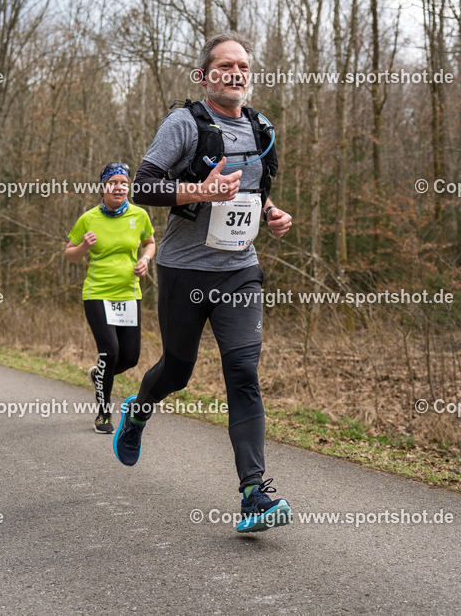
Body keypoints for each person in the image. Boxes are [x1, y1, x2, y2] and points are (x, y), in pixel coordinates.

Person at [116, 32, 294, 533]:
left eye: (243, 66)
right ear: (205, 76)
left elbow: (255, 194)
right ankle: (138, 411)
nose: (236, 73)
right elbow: (144, 185)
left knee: (243, 371)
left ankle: (254, 495)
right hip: (184, 269)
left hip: (240, 270)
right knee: (178, 370)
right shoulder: (185, 123)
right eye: (224, 66)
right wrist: (200, 190)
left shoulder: (262, 129)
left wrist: (271, 213)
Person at [66, 162, 156, 434]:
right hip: (98, 294)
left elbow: (150, 242)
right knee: (110, 351)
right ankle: (103, 414)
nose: (119, 187)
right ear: (103, 187)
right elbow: (70, 254)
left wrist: (146, 259)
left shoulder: (139, 215)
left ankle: (99, 375)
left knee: (130, 357)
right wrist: (83, 246)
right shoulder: (89, 218)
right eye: (113, 182)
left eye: (123, 183)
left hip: (129, 294)